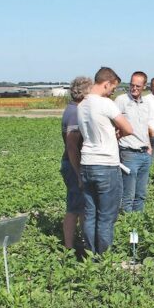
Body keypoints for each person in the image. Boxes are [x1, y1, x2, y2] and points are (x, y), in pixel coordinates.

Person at [77, 67, 134, 255]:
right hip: (106, 165)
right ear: (106, 83)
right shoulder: (105, 104)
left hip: (86, 163)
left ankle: (90, 255)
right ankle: (103, 259)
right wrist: (118, 134)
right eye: (113, 88)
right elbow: (128, 128)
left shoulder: (81, 105)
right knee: (106, 216)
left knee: (90, 214)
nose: (112, 92)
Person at [115, 71, 154, 212]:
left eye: (138, 86)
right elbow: (113, 125)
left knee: (141, 195)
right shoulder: (121, 101)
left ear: (144, 86)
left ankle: (137, 225)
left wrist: (149, 147)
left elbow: (144, 128)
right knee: (128, 195)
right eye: (132, 85)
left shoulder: (146, 104)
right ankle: (128, 227)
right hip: (129, 153)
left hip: (144, 153)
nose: (134, 88)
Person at [60, 76, 92, 250]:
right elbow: (72, 147)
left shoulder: (74, 109)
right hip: (73, 165)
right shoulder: (74, 113)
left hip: (73, 164)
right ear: (83, 93)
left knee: (80, 206)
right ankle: (69, 248)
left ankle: (79, 242)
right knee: (73, 208)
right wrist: (79, 172)